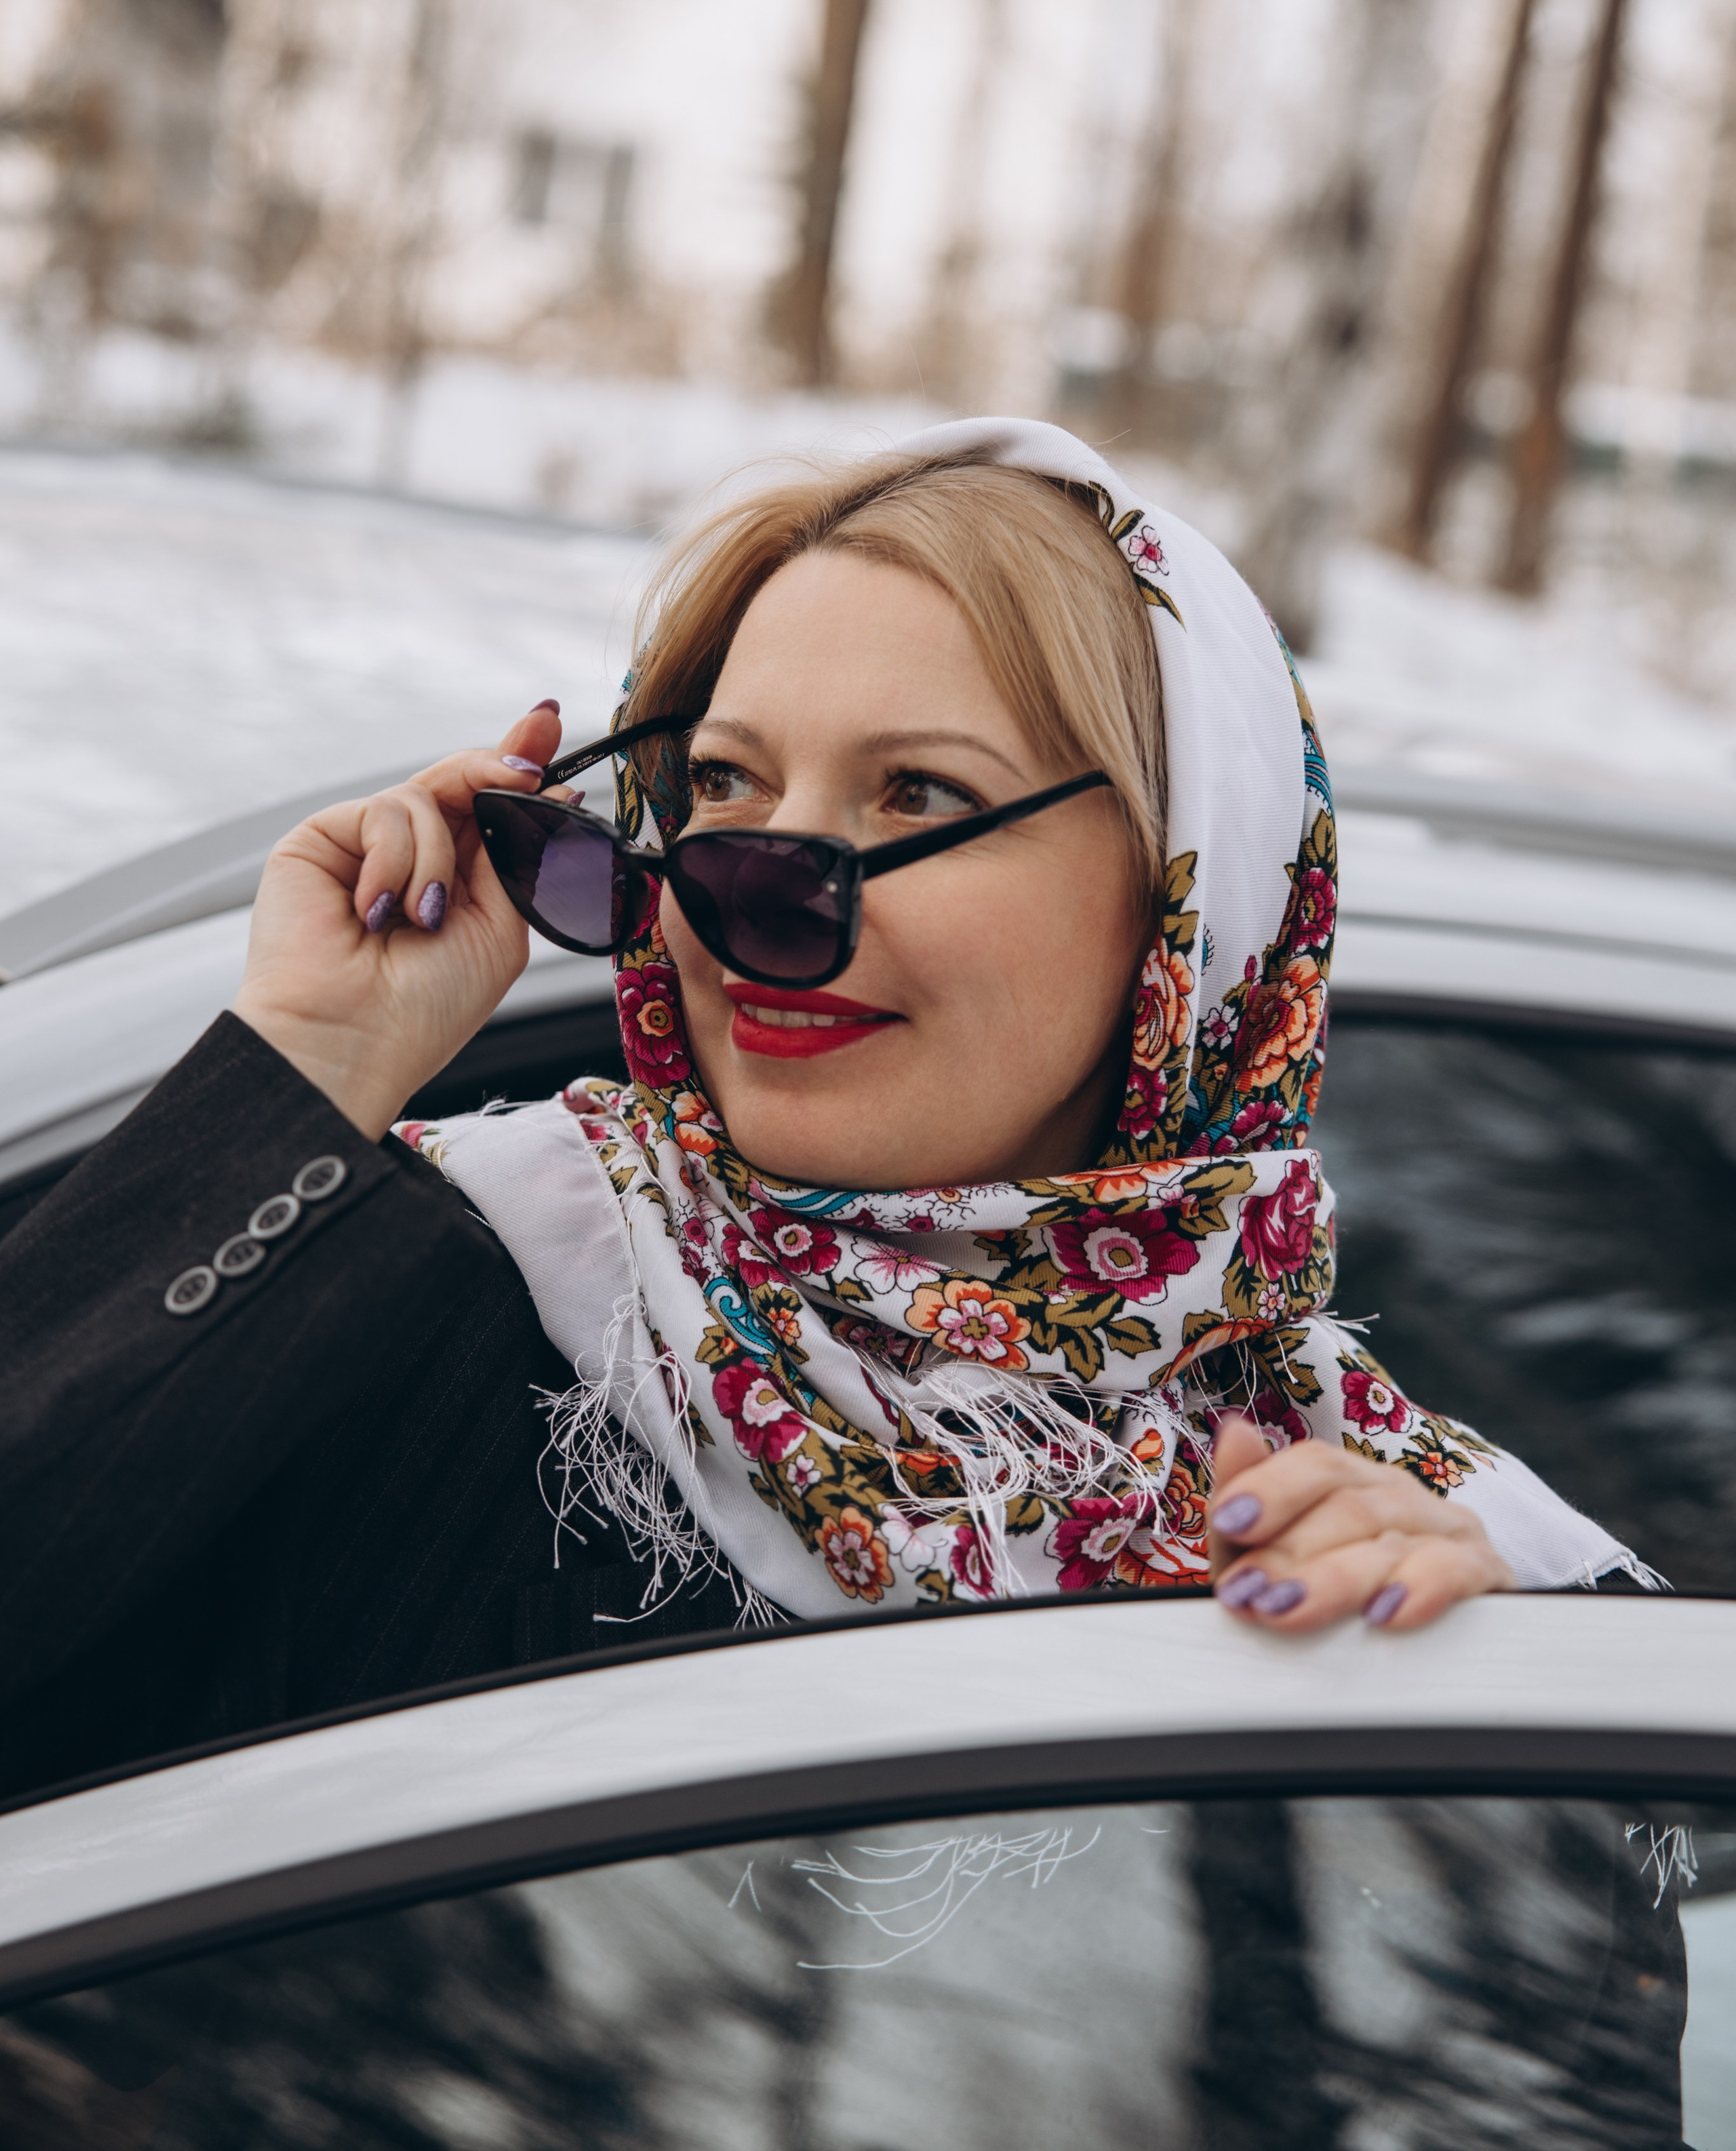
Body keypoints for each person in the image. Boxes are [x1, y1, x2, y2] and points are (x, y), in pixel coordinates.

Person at [0, 419, 1644, 1802]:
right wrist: (308, 1055)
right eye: (721, 785)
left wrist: (1429, 1751)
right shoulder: (468, 1283)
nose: (747, 887)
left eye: (916, 793)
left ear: (1183, 908)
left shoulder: (1372, 1511)